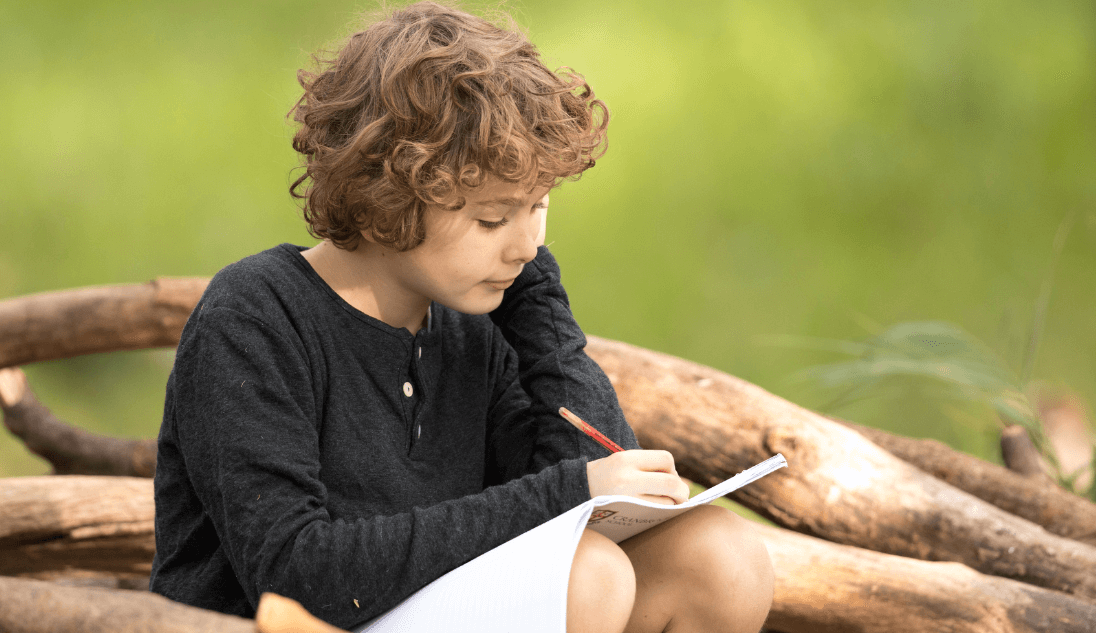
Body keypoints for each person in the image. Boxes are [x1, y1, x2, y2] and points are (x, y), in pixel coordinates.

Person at [148, 3, 775, 632]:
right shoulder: (255, 317)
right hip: (290, 621)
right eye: (494, 219)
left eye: (540, 207)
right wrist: (568, 492)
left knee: (721, 558)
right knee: (584, 577)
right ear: (383, 200)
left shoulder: (477, 322)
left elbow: (594, 503)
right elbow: (295, 578)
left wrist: (539, 307)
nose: (527, 244)